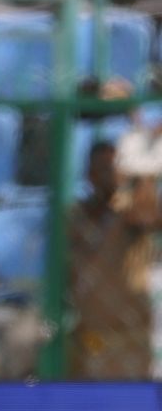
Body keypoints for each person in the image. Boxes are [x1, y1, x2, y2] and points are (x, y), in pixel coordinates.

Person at [69, 140, 162, 378]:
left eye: (113, 169)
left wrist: (141, 173)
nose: (107, 177)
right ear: (89, 175)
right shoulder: (75, 217)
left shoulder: (130, 215)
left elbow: (147, 212)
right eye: (101, 170)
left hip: (129, 346)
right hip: (85, 343)